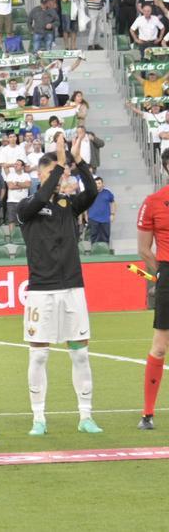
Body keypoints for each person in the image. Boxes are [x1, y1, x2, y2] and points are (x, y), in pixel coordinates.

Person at [16, 134, 102, 436]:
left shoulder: (68, 206)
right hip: (42, 291)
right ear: (41, 175)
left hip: (73, 289)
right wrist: (59, 163)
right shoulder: (27, 206)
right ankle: (38, 417)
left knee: (80, 354)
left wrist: (76, 162)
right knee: (38, 354)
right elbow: (42, 197)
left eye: (61, 173)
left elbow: (91, 190)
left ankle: (86, 415)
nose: (61, 177)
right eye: (55, 172)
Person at [137, 147, 169, 430]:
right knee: (160, 347)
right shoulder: (154, 202)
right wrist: (162, 276)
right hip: (168, 272)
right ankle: (147, 413)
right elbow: (144, 249)